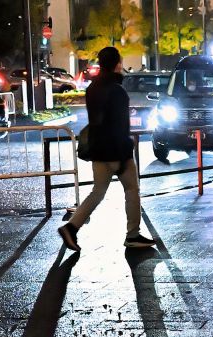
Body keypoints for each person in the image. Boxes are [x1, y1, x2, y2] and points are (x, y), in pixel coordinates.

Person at [58, 45, 155, 253]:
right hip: (116, 150)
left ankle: (71, 227)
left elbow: (98, 120)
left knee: (98, 191)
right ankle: (133, 235)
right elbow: (120, 125)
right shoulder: (117, 91)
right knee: (132, 189)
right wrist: (124, 152)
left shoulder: (93, 88)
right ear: (116, 64)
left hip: (98, 148)